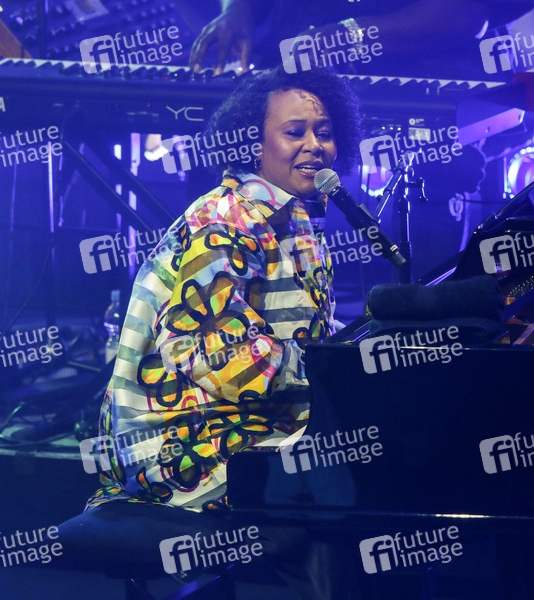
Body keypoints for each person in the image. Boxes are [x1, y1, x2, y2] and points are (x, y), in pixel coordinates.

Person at [86, 65, 362, 512]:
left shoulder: (294, 218)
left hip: (246, 417)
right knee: (348, 478)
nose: (314, 144)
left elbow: (302, 335)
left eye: (324, 133)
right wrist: (336, 376)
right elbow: (213, 352)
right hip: (185, 442)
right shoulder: (227, 220)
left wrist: (347, 357)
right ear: (254, 145)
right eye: (295, 132)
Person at [188, 0, 534, 78]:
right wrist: (237, 10)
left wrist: (350, 35)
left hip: (428, 90)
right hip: (285, 82)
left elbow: (466, 14)